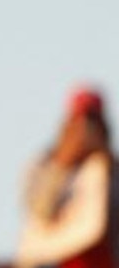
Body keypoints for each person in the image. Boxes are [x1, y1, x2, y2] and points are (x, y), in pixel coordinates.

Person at [14, 86, 118, 268]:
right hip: (52, 259)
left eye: (93, 121)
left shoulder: (109, 171)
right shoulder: (42, 165)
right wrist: (63, 164)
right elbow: (40, 211)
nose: (85, 130)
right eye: (78, 121)